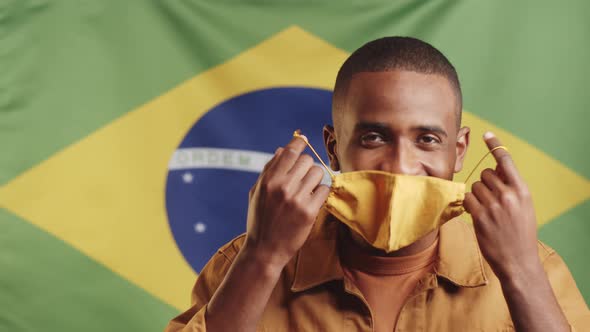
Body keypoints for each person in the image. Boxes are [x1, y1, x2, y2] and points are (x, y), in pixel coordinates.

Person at [166, 37, 589, 331]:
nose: (400, 167)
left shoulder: (531, 266)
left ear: (459, 152)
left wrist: (520, 271)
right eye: (373, 137)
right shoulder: (246, 260)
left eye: (427, 139)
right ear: (332, 148)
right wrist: (263, 256)